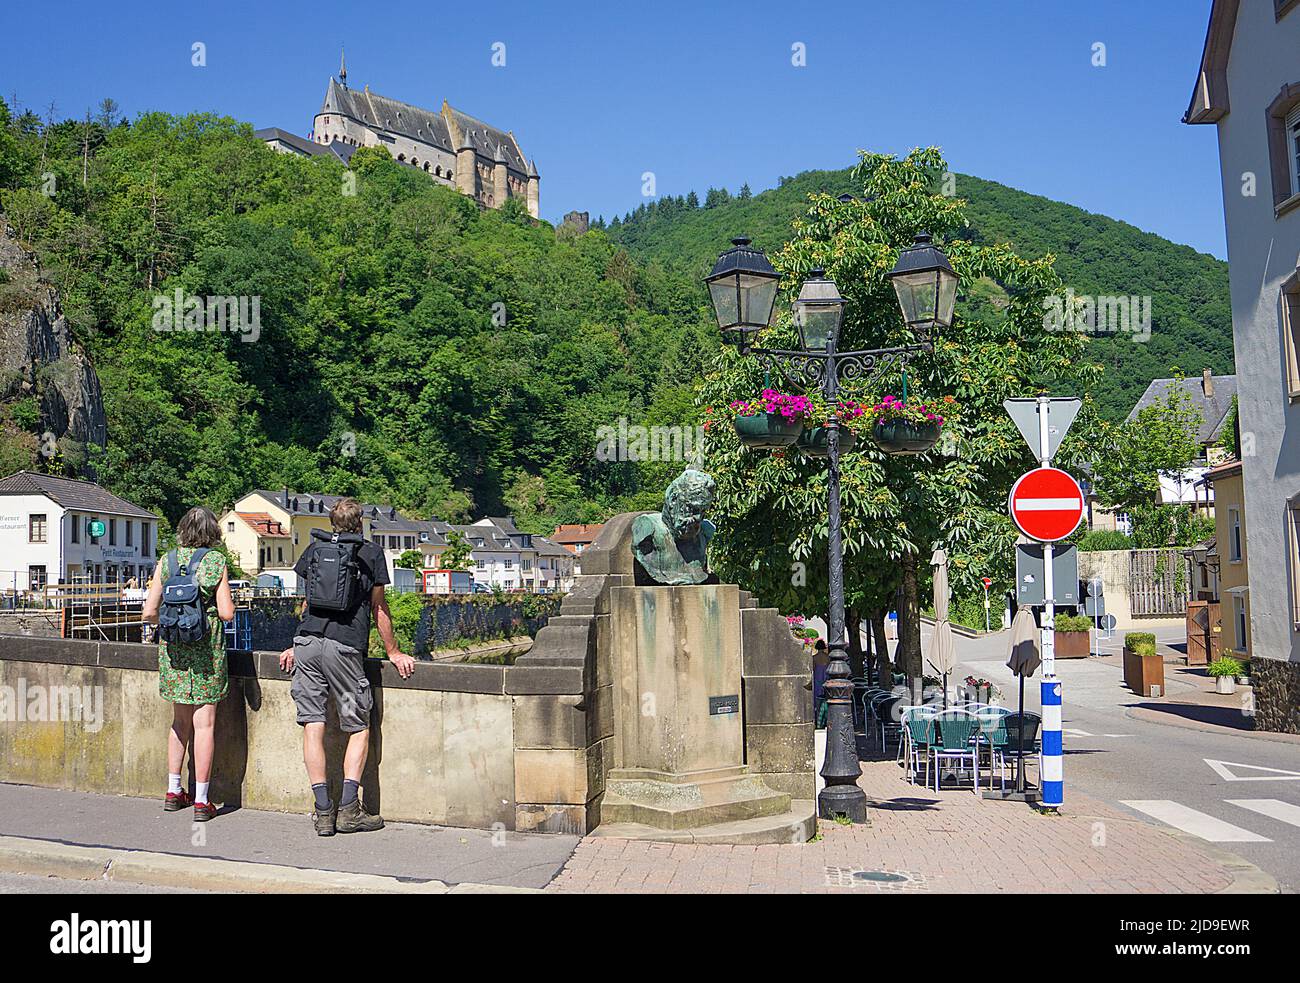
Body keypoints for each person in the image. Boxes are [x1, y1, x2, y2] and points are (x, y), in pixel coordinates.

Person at [278, 498, 414, 836]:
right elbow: (379, 609)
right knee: (357, 726)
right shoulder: (369, 553)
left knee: (313, 724)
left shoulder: (313, 550)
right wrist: (394, 651)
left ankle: (323, 812)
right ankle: (349, 810)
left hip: (308, 646)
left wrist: (296, 642)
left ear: (332, 522)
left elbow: (308, 603)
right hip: (344, 650)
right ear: (361, 523)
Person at [142, 506, 235, 822]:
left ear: (182, 530)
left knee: (179, 723)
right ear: (213, 533)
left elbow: (149, 612)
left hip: (174, 651)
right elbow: (226, 612)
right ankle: (202, 800)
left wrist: (174, 621)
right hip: (206, 651)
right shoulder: (215, 562)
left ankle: (172, 791)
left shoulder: (166, 561)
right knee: (204, 724)